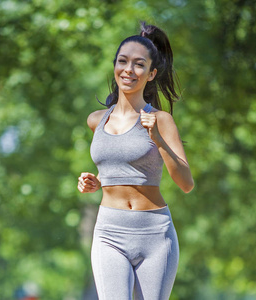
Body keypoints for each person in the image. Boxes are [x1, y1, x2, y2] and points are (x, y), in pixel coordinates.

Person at [77, 22, 194, 300]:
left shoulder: (162, 121)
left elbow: (186, 183)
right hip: (109, 231)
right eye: (123, 61)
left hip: (155, 233)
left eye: (139, 64)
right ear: (115, 66)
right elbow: (118, 167)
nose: (129, 69)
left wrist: (157, 138)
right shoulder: (97, 120)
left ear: (151, 73)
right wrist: (96, 181)